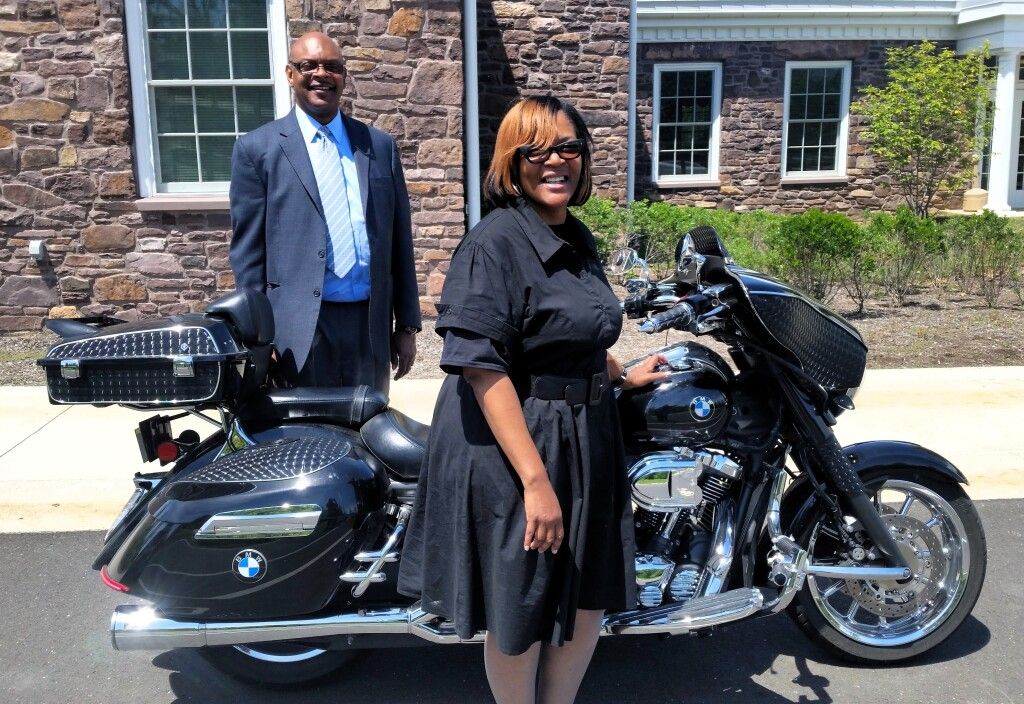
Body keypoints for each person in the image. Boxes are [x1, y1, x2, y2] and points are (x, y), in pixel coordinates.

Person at [397, 96, 669, 704]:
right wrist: (535, 482)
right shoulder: (494, 242)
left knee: (586, 592)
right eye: (536, 149)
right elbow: (482, 369)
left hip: (586, 433)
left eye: (568, 147)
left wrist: (621, 375)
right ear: (512, 162)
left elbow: (562, 331)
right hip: (519, 440)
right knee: (523, 604)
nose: (556, 161)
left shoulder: (575, 235)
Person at [229, 31, 420, 393]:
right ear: (290, 74)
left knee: (368, 432)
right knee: (306, 440)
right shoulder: (258, 150)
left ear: (344, 77)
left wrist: (406, 326)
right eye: (308, 66)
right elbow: (248, 255)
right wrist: (257, 337)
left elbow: (399, 242)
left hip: (370, 326)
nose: (321, 74)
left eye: (332, 67)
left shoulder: (378, 146)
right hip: (298, 331)